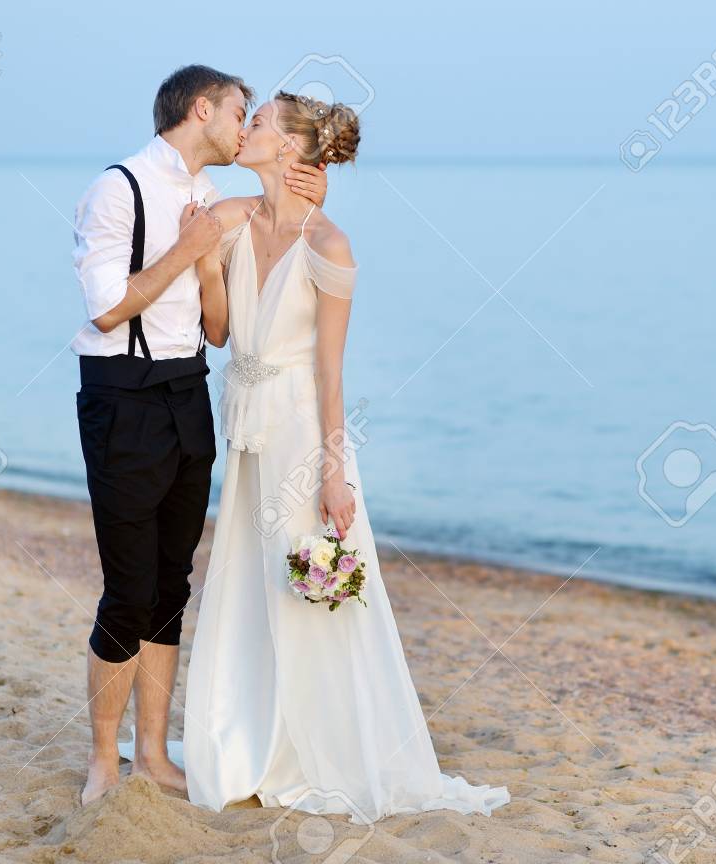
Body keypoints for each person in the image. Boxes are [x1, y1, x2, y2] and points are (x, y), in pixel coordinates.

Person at [181, 91, 510, 822]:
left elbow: (332, 372)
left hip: (302, 436)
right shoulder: (235, 218)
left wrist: (334, 470)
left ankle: (320, 750)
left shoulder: (331, 246)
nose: (248, 129)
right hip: (245, 433)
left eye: (258, 122)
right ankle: (248, 740)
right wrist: (207, 263)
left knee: (307, 591)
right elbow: (221, 324)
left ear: (292, 149)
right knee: (245, 584)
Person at [70, 64, 327, 805]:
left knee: (171, 588)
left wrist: (306, 194)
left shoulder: (214, 198)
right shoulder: (116, 189)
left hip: (189, 394)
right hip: (121, 396)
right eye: (240, 112)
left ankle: (152, 753)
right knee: (127, 588)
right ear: (202, 108)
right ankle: (101, 758)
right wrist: (189, 250)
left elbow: (218, 328)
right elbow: (108, 310)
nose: (245, 127)